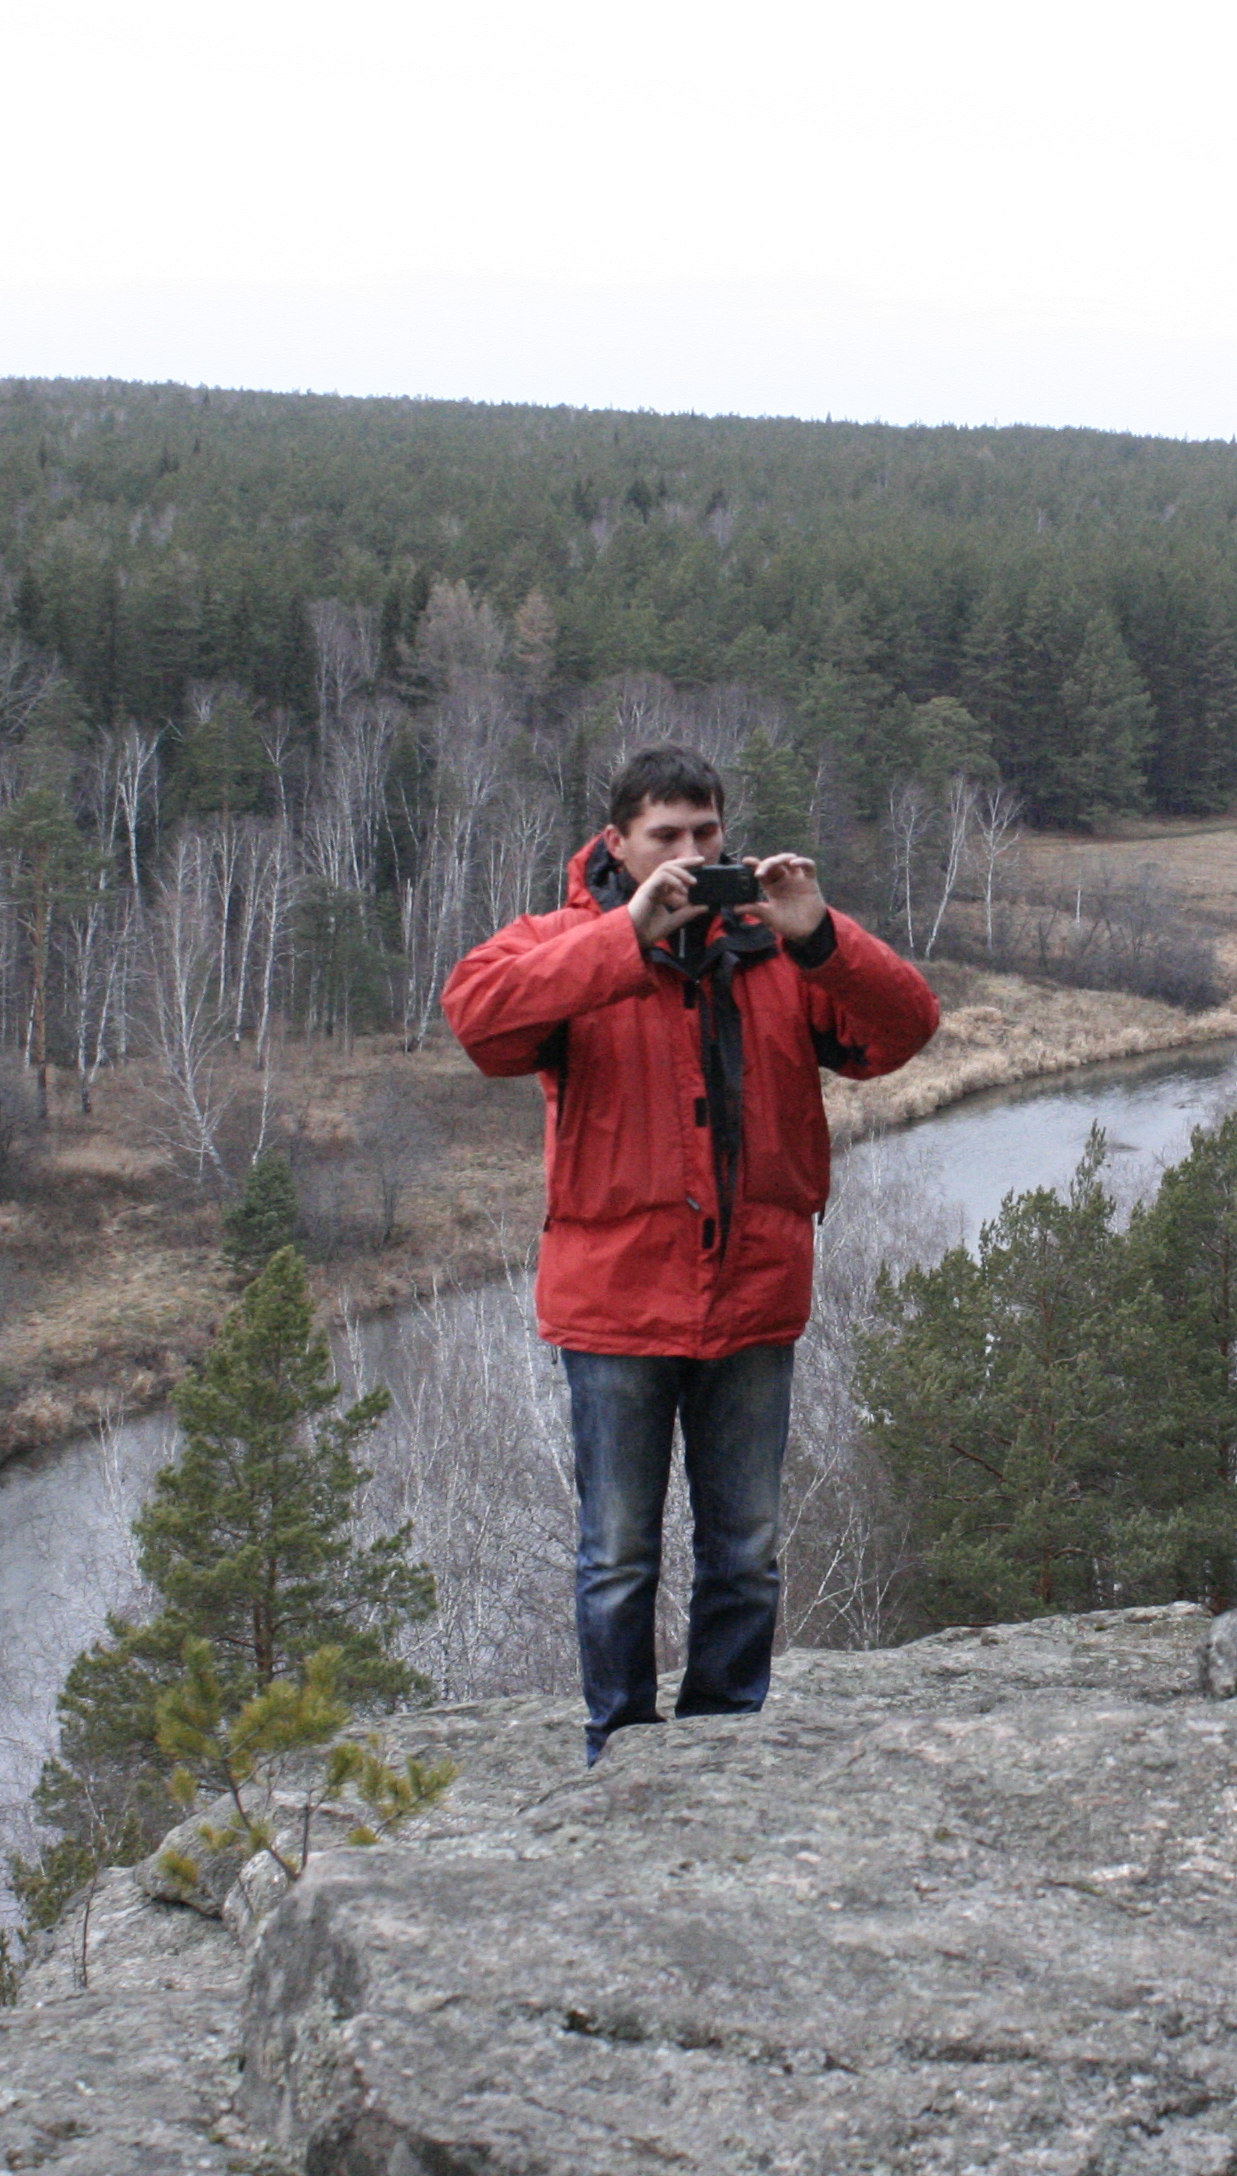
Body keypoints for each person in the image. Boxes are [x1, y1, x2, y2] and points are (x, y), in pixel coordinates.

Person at [442, 744, 938, 1761]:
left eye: (706, 832)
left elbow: (905, 1029)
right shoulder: (564, 943)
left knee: (746, 1550)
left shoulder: (775, 950)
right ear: (617, 842)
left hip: (753, 1294)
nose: (690, 853)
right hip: (615, 1305)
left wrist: (821, 935)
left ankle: (723, 1744)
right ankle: (620, 1747)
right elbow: (478, 1022)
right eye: (665, 835)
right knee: (618, 1554)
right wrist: (628, 934)